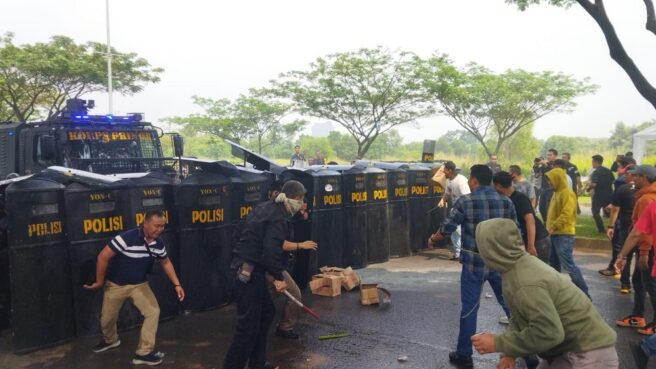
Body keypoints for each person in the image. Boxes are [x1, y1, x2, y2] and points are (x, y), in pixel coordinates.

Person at [470, 218, 618, 369]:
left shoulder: (525, 282)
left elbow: (549, 333)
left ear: (492, 249)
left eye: (481, 245)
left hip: (589, 354)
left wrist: (498, 343)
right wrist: (509, 353)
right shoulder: (516, 269)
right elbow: (520, 318)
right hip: (572, 350)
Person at [428, 164, 517, 368]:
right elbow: (515, 233)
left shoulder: (465, 202)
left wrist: (433, 238)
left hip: (473, 265)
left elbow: (448, 228)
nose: (468, 182)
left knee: (469, 309)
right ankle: (527, 349)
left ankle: (464, 353)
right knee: (512, 306)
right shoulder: (506, 202)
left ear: (475, 180)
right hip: (500, 264)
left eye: (470, 179)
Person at [223, 180, 307, 369]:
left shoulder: (265, 208)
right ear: (293, 198)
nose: (302, 202)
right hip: (248, 274)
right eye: (300, 198)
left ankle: (257, 363)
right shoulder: (279, 217)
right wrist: (278, 277)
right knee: (247, 329)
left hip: (252, 270)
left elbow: (238, 233)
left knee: (266, 312)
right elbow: (271, 251)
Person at [84, 210, 185, 366]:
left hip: (139, 285)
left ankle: (143, 353)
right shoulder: (126, 238)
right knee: (107, 319)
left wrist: (177, 284)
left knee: (153, 312)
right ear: (145, 223)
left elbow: (165, 262)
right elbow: (103, 257)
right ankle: (111, 340)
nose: (159, 229)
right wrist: (99, 282)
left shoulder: (158, 244)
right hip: (115, 285)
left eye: (162, 226)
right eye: (156, 226)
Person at [614, 165, 656, 336]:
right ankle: (638, 316)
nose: (632, 178)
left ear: (645, 178)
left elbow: (643, 231)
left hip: (649, 250)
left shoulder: (646, 199)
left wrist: (644, 253)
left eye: (636, 175)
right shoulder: (647, 196)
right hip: (648, 248)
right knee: (639, 281)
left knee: (651, 286)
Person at [616, 201, 656, 369]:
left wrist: (621, 255)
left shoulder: (652, 206)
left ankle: (645, 348)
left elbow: (636, 233)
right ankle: (645, 348)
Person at [545, 168, 590, 297]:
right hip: (555, 234)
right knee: (553, 265)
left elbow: (567, 214)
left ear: (558, 179)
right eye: (548, 180)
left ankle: (585, 295)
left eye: (551, 180)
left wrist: (553, 226)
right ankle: (556, 293)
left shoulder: (567, 193)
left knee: (569, 266)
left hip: (563, 234)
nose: (549, 182)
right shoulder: (556, 193)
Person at [493, 171, 551, 264]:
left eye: (494, 186)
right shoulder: (506, 199)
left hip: (538, 241)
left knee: (539, 273)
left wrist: (530, 245)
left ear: (499, 186)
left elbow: (530, 220)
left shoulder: (519, 198)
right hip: (527, 241)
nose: (493, 188)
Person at [598, 165, 635, 294]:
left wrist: (610, 226)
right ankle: (644, 284)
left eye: (626, 174)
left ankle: (625, 284)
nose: (624, 176)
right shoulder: (645, 190)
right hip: (640, 225)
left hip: (624, 224)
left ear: (631, 175)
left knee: (624, 254)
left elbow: (615, 210)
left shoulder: (623, 189)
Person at [436, 161, 471, 260]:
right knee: (454, 231)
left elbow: (467, 197)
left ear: (450, 170)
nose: (444, 173)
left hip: (463, 209)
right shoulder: (448, 180)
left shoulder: (461, 181)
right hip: (455, 208)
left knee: (459, 231)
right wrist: (442, 200)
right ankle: (458, 253)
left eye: (445, 171)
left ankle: (463, 252)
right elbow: (448, 192)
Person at [588, 154, 614, 233]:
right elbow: (613, 181)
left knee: (595, 212)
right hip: (609, 194)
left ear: (595, 162)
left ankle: (601, 228)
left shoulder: (596, 172)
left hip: (599, 195)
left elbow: (594, 184)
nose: (592, 163)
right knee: (609, 213)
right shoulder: (608, 171)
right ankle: (613, 227)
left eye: (592, 161)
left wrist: (588, 188)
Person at [538, 149, 557, 223]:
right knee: (541, 208)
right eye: (547, 155)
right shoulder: (544, 164)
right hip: (543, 188)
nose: (548, 156)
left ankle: (549, 223)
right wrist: (537, 165)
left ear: (555, 156)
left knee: (549, 208)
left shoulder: (555, 164)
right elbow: (536, 173)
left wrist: (546, 164)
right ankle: (546, 222)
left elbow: (553, 172)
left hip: (551, 189)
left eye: (550, 155)